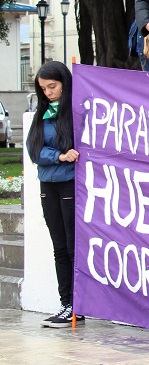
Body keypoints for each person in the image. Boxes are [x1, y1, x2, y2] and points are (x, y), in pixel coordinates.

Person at [27, 61, 83, 328]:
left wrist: (61, 157)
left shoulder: (76, 112)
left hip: (70, 185)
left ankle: (77, 306)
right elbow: (34, 151)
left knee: (73, 248)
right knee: (59, 248)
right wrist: (59, 156)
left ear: (65, 83)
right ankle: (66, 304)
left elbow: (81, 146)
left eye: (53, 86)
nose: (48, 92)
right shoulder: (41, 113)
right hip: (47, 187)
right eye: (43, 88)